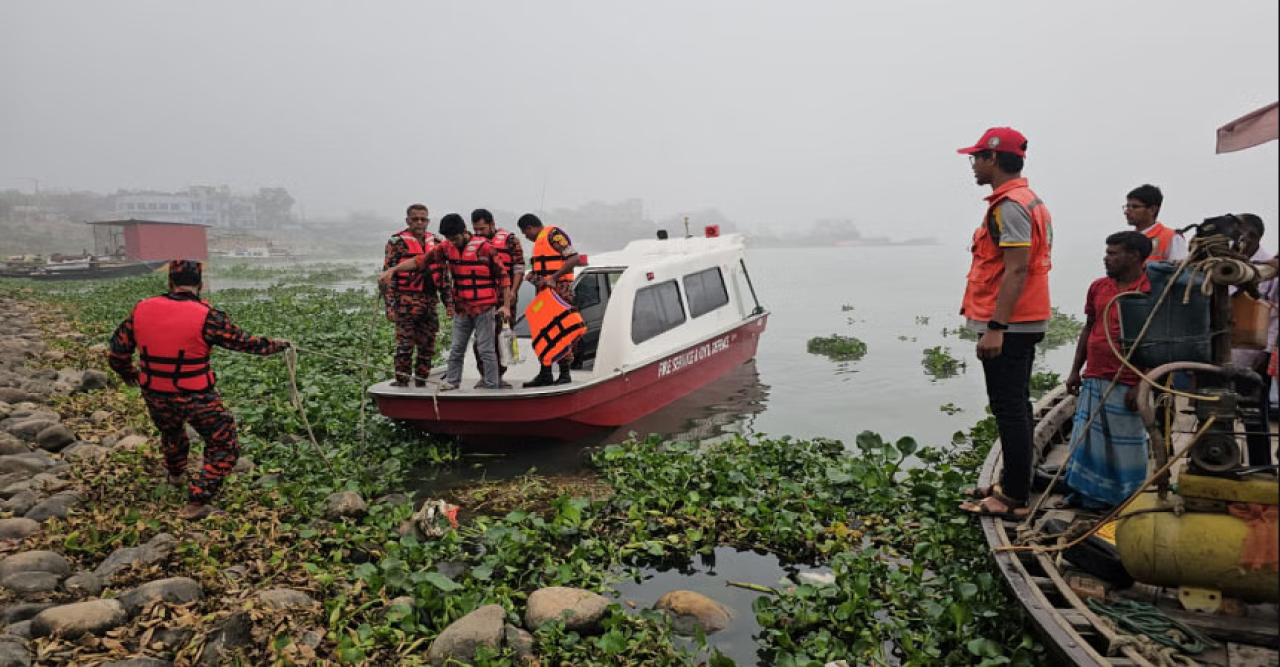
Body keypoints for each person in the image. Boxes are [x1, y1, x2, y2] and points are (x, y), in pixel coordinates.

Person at [107, 260, 290, 521]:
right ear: (200, 284)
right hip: (195, 394)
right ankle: (196, 502)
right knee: (224, 444)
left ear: (170, 282)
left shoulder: (141, 310)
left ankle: (176, 475)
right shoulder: (208, 316)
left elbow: (117, 351)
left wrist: (128, 373)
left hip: (155, 392)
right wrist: (275, 345)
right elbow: (245, 342)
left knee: (171, 433)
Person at [955, 127, 1054, 520]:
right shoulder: (1028, 201)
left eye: (975, 158)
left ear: (993, 159)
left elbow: (1015, 270)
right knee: (1016, 406)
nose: (973, 166)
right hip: (1022, 320)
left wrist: (996, 326)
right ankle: (1015, 481)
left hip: (1011, 324)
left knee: (1009, 407)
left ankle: (1012, 497)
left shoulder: (1010, 205)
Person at [1061, 231, 1154, 507]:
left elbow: (1159, 341)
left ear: (1134, 256)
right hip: (1096, 374)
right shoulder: (1099, 287)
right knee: (1086, 439)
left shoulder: (1151, 291)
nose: (1106, 258)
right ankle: (1083, 494)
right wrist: (1075, 370)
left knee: (1125, 445)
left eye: (1114, 253)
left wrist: (1143, 382)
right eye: (1107, 252)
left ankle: (1125, 498)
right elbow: (1089, 327)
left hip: (1127, 379)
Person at [381, 214, 512, 390]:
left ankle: (491, 385)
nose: (454, 242)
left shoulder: (486, 248)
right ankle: (452, 382)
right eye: (450, 239)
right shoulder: (446, 247)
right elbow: (419, 261)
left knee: (486, 350)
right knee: (457, 348)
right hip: (462, 309)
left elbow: (504, 278)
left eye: (456, 238)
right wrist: (393, 270)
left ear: (464, 232)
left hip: (484, 308)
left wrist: (506, 306)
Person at [1231, 214, 1278, 466]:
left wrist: (1267, 352)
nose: (1241, 240)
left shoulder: (1271, 267)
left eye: (1246, 235)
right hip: (1224, 354)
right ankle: (1224, 464)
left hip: (1256, 356)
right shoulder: (1224, 263)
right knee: (1219, 413)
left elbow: (1276, 315)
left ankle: (1260, 467)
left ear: (1257, 237)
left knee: (1254, 416)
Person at [383, 204, 447, 387]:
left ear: (428, 221)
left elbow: (443, 278)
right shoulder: (396, 243)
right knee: (404, 347)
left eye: (423, 219)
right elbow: (389, 276)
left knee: (427, 347)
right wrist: (390, 307)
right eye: (415, 219)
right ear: (408, 221)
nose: (420, 223)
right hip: (405, 303)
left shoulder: (437, 242)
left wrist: (449, 304)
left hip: (429, 303)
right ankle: (402, 382)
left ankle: (422, 382)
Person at [517, 213, 582, 387]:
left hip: (560, 291)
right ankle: (545, 373)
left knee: (561, 330)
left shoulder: (553, 235)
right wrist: (533, 277)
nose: (526, 237)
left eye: (525, 233)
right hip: (545, 294)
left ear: (530, 228)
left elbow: (574, 258)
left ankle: (564, 374)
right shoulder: (540, 244)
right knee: (544, 331)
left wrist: (554, 277)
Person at [471, 209, 525, 379]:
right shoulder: (472, 243)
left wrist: (513, 292)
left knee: (503, 339)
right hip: (482, 298)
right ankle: (485, 376)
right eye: (476, 230)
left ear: (492, 225)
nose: (479, 233)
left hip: (505, 298)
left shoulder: (510, 241)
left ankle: (499, 377)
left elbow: (518, 268)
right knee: (481, 340)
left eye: (482, 229)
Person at [1123, 184, 1187, 264]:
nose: (1126, 212)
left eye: (1134, 207)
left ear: (1152, 210)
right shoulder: (1125, 241)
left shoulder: (1171, 237)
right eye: (1127, 206)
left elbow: (1180, 271)